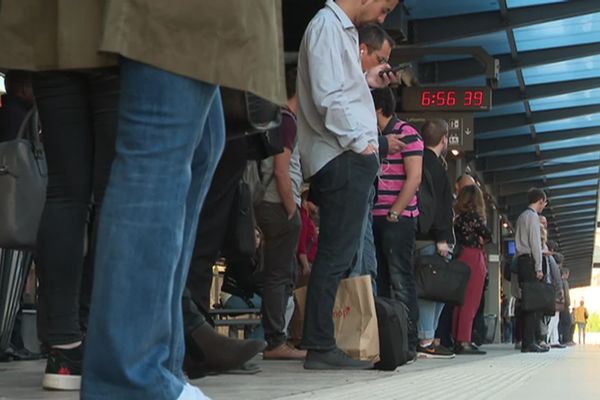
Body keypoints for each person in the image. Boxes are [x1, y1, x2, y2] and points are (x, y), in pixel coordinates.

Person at [297, 0, 400, 370]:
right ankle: (320, 344)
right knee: (336, 255)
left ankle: (321, 342)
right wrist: (362, 144)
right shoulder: (327, 26)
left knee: (336, 253)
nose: (381, 17)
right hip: (342, 156)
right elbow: (329, 97)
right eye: (385, 8)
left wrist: (367, 81)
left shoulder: (336, 30)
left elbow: (338, 88)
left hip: (344, 155)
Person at [349, 23, 406, 292]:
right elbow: (347, 127)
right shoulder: (345, 81)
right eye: (381, 59)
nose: (384, 66)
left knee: (367, 265)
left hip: (367, 183)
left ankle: (366, 327)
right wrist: (380, 145)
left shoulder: (360, 85)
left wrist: (370, 81)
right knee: (354, 260)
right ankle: (347, 326)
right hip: (354, 176)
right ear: (362, 50)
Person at [370, 87, 423, 357]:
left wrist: (394, 212)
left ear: (378, 108)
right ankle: (386, 340)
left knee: (401, 279)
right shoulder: (374, 137)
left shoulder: (408, 133)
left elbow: (414, 178)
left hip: (397, 220)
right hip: (374, 218)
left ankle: (409, 340)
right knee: (381, 279)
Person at [256, 67, 304, 360]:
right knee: (278, 274)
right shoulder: (286, 120)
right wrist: (291, 209)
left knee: (280, 273)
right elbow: (281, 169)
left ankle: (275, 338)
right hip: (278, 204)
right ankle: (276, 342)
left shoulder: (275, 117)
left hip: (269, 203)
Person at [414, 119, 456, 359]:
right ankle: (426, 338)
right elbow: (440, 207)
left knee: (426, 289)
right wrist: (442, 238)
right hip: (433, 239)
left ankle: (425, 336)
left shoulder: (416, 160)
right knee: (434, 291)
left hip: (417, 234)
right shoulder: (437, 167)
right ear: (444, 139)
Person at [452, 185, 492, 355]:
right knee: (472, 300)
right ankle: (465, 340)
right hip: (474, 256)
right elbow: (488, 235)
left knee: (459, 300)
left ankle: (456, 337)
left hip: (461, 257)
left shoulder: (458, 219)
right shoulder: (475, 218)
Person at [515, 188, 549, 353]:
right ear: (540, 201)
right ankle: (530, 341)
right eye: (544, 203)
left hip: (521, 260)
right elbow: (536, 243)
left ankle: (526, 340)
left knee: (525, 301)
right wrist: (538, 267)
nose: (544, 206)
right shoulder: (533, 217)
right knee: (533, 302)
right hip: (530, 261)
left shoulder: (522, 216)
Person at [296, 190, 319, 288]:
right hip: (307, 263)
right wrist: (305, 265)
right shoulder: (303, 217)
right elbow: (302, 242)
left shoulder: (307, 217)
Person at [559, 268, 575, 345]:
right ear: (565, 274)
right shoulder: (564, 282)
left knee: (561, 323)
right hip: (564, 305)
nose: (568, 276)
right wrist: (568, 303)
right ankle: (566, 340)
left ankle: (562, 339)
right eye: (567, 274)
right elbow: (566, 295)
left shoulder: (560, 281)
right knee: (567, 322)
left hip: (560, 304)